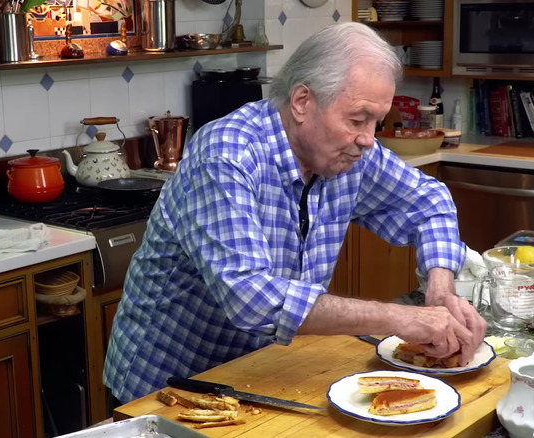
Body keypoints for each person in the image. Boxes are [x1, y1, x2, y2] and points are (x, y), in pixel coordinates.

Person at [104, 22, 487, 404]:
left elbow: (428, 201)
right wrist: (403, 318)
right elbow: (249, 296)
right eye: (357, 119)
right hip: (166, 386)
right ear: (303, 101)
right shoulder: (228, 155)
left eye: (376, 122)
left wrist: (439, 288)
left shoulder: (350, 155)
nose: (368, 139)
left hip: (259, 373)